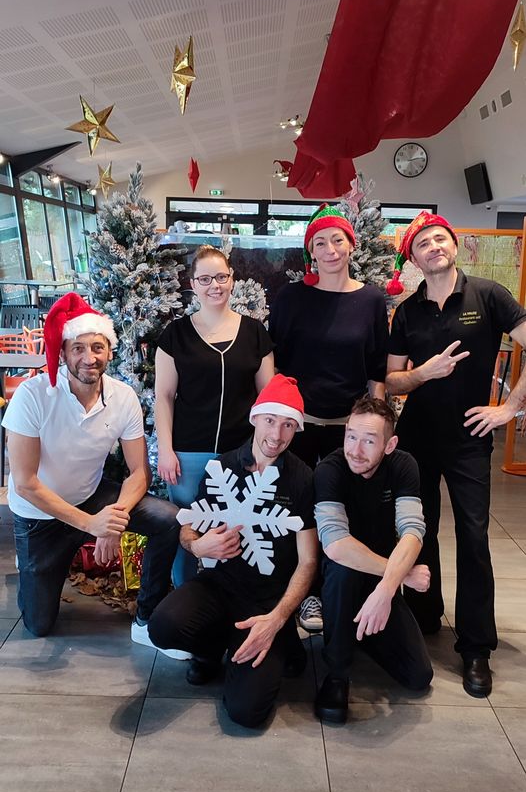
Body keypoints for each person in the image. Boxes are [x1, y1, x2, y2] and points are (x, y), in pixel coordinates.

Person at [386, 211, 526, 697]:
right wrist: (423, 373)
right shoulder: (408, 311)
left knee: (473, 536)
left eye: (439, 238)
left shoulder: (488, 295)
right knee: (418, 530)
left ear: (454, 244)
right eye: (422, 243)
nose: (433, 247)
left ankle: (475, 647)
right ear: (414, 258)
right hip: (417, 437)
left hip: (469, 438)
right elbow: (392, 380)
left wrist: (509, 407)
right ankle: (424, 618)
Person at [3, 293, 182, 643]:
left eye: (98, 347)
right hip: (39, 514)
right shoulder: (32, 395)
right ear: (63, 353)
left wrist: (113, 521)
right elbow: (24, 483)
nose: (89, 358)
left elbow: (139, 472)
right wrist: (91, 525)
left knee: (169, 519)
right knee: (39, 624)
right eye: (78, 348)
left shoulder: (123, 396)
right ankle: (30, 570)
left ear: (110, 351)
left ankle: (146, 618)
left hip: (91, 494)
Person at [148, 375, 318, 728]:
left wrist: (277, 618)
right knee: (163, 626)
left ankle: (280, 640)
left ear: (297, 429)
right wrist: (198, 545)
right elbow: (190, 524)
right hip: (218, 585)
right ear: (255, 418)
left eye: (288, 425)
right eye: (270, 420)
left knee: (247, 713)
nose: (277, 434)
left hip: (266, 601)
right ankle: (212, 649)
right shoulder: (223, 467)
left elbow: (308, 561)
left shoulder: (302, 479)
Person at [269, 204, 389, 633]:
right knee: (295, 511)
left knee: (342, 511)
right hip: (299, 425)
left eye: (338, 239)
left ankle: (331, 593)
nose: (330, 249)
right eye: (320, 242)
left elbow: (377, 369)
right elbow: (274, 361)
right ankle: (290, 594)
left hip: (348, 429)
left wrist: (377, 427)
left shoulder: (371, 300)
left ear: (351, 245)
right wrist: (273, 419)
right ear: (311, 253)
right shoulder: (292, 297)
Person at [155, 244, 274, 587]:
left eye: (221, 277)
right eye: (205, 279)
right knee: (188, 531)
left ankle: (233, 600)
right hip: (188, 454)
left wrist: (263, 451)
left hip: (241, 453)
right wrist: (166, 449)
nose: (215, 286)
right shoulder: (175, 335)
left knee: (239, 531)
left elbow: (267, 400)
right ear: (193, 284)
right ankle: (184, 598)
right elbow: (164, 397)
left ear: (232, 279)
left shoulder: (255, 333)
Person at [314, 396, 433, 724]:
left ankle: (359, 629)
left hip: (382, 579)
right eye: (351, 436)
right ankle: (337, 673)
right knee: (344, 570)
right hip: (338, 576)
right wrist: (402, 576)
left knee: (418, 676)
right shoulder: (329, 470)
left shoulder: (403, 466)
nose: (355, 450)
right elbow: (336, 546)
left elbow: (413, 531)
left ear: (389, 445)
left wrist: (386, 589)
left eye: (369, 441)